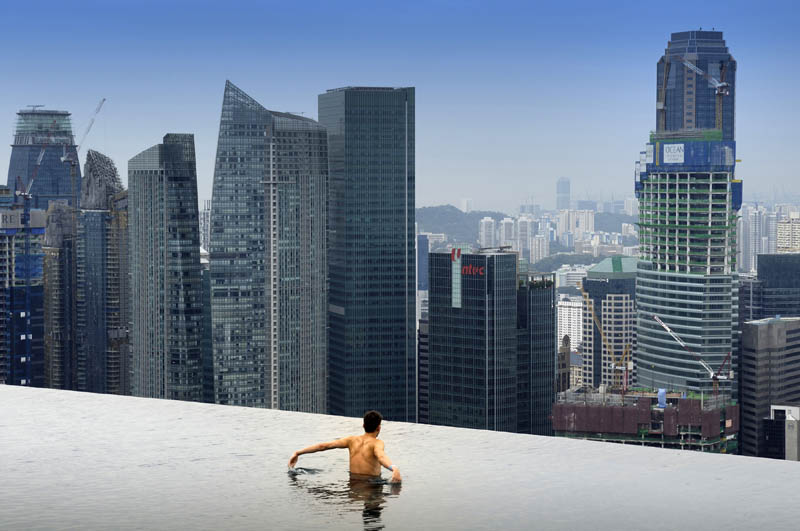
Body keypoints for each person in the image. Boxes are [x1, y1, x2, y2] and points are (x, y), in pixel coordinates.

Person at [288, 410, 402, 483]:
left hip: (352, 483)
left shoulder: (351, 440)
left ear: (363, 425)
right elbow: (381, 457)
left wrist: (298, 453)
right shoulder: (377, 443)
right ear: (379, 428)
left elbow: (324, 446)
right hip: (371, 485)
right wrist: (394, 468)